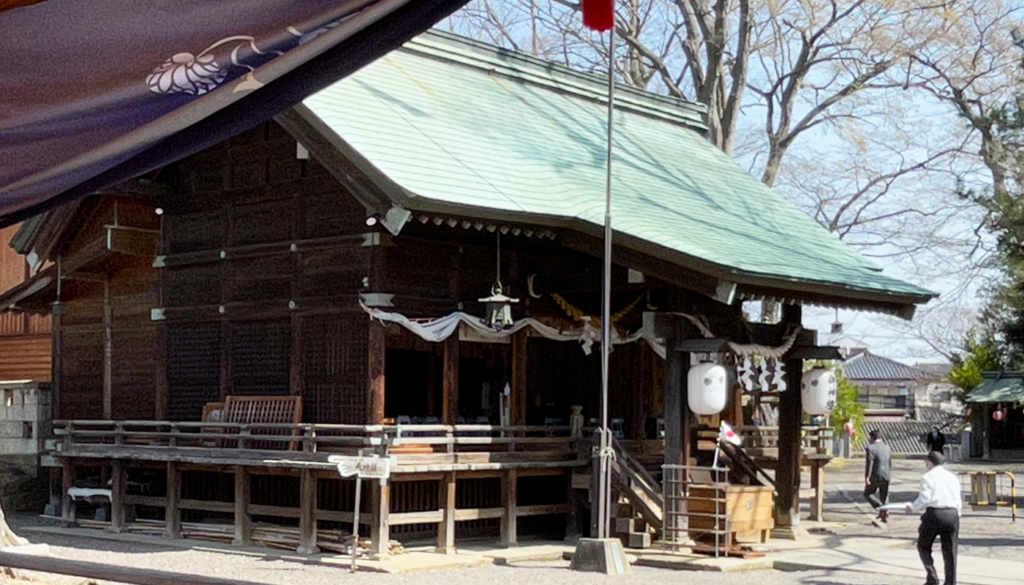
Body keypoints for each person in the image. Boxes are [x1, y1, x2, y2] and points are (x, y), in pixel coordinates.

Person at [906, 451, 962, 585]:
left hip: (935, 513)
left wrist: (912, 507)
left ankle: (932, 576)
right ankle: (950, 582)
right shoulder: (952, 477)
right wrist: (958, 514)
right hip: (952, 513)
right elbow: (958, 498)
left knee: (923, 545)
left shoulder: (928, 477)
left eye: (926, 463)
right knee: (950, 550)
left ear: (930, 463)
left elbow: (925, 498)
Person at [864, 429, 892, 523]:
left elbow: (869, 464)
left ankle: (881, 508)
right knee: (884, 495)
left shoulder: (870, 448)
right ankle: (884, 514)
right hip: (886, 474)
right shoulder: (887, 447)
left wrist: (867, 477)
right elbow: (889, 462)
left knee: (868, 493)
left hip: (875, 475)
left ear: (873, 437)